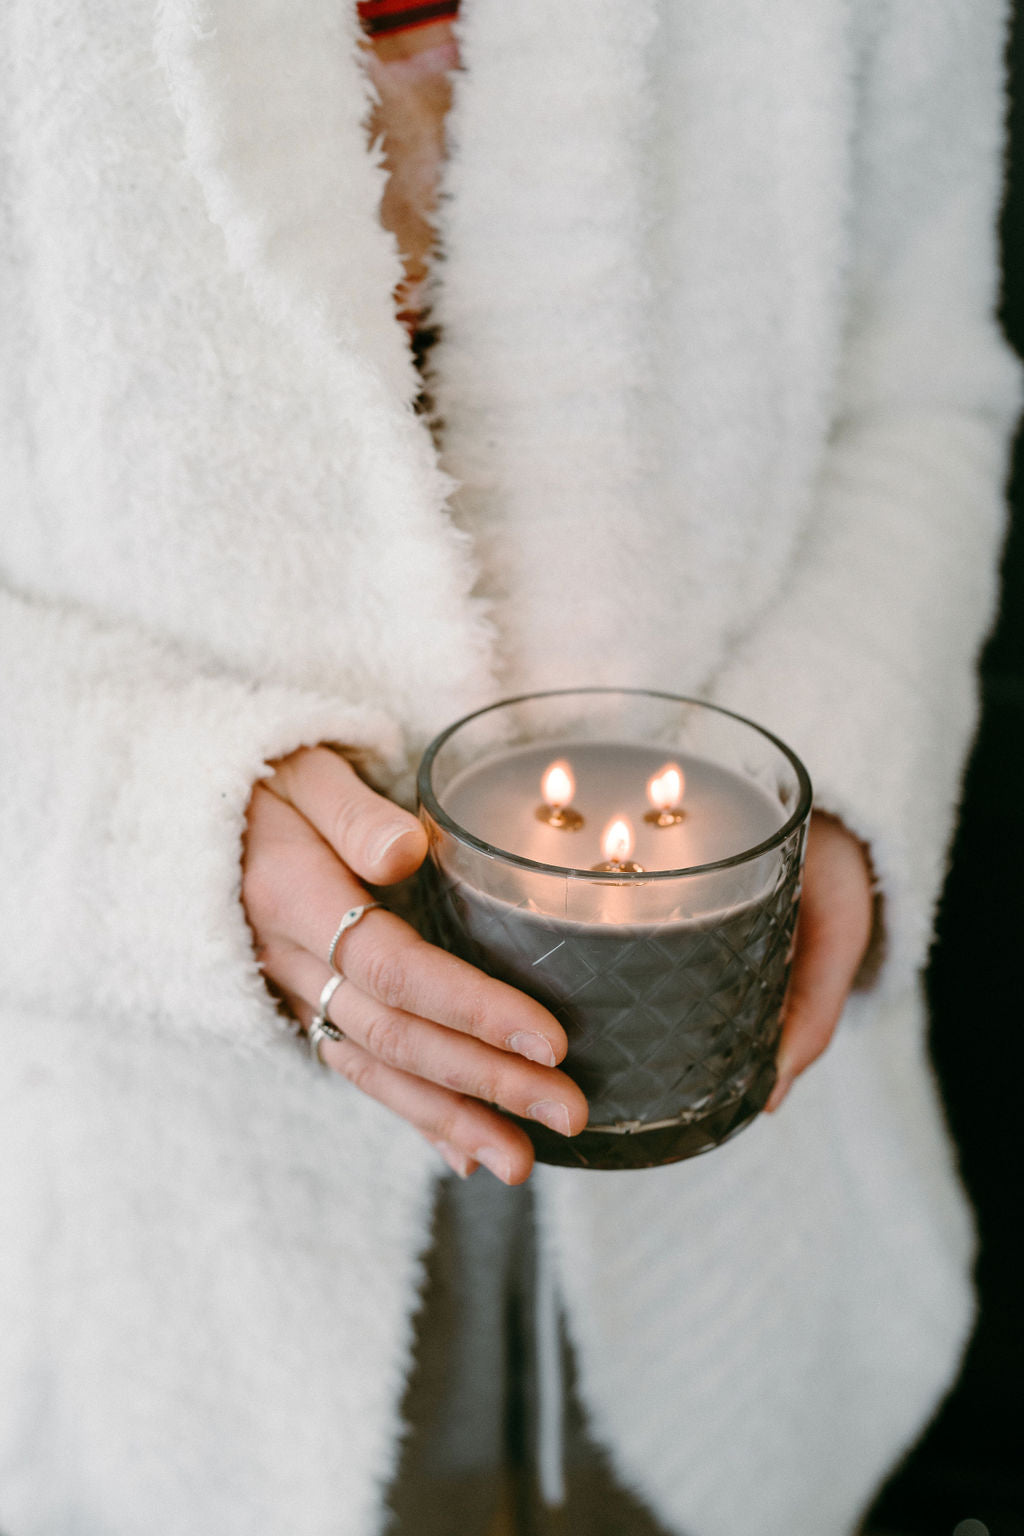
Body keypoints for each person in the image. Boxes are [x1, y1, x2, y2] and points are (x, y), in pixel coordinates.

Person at [0, 1, 1018, 1533]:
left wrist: (838, 763)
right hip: (139, 1249)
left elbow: (921, 386)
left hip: (747, 1254)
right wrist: (158, 832)